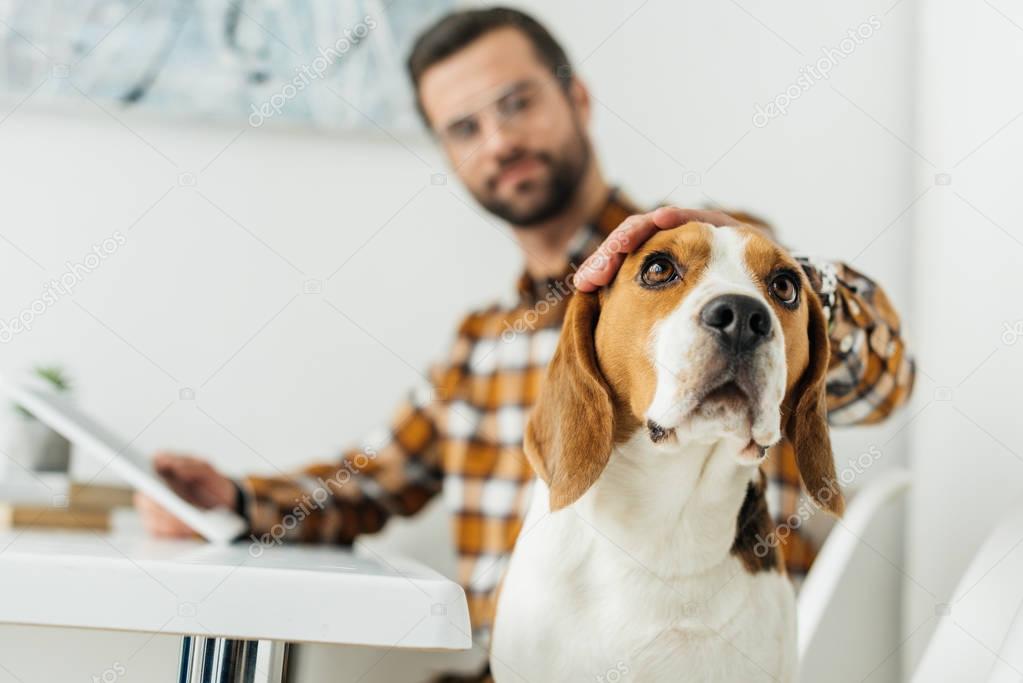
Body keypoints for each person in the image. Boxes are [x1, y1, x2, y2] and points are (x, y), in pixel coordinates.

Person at [135, 7, 915, 681]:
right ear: (448, 155)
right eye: (465, 127)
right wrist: (233, 500)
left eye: (517, 103)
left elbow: (885, 384)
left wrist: (801, 287)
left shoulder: (729, 260)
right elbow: (369, 483)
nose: (499, 139)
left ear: (575, 97)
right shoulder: (481, 344)